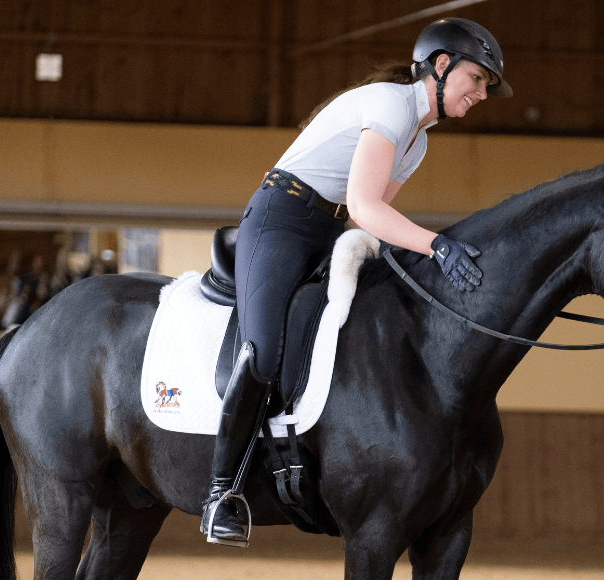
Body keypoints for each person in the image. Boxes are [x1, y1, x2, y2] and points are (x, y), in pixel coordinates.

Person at [200, 17, 513, 547]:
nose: (482, 93)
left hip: (327, 229)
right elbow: (367, 205)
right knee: (263, 350)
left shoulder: (418, 142)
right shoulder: (391, 105)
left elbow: (362, 217)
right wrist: (436, 244)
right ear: (440, 66)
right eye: (477, 79)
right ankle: (220, 493)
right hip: (281, 218)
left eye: (486, 85)